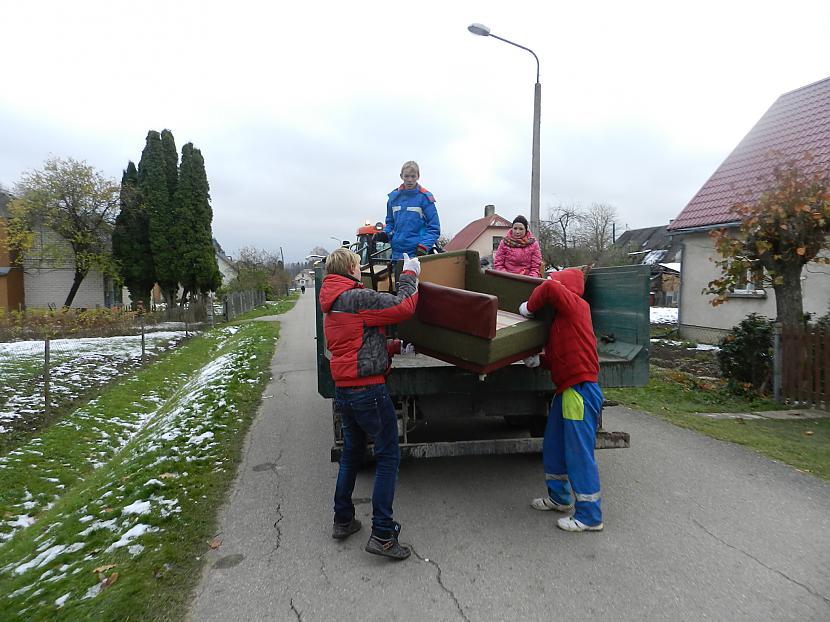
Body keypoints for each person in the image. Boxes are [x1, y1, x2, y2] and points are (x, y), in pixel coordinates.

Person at [319, 247, 421, 559]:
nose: (361, 270)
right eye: (357, 266)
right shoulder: (355, 297)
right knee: (388, 456)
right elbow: (403, 306)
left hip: (346, 390)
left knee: (351, 454)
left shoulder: (333, 302)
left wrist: (392, 346)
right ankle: (383, 534)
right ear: (349, 267)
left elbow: (355, 343)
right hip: (369, 391)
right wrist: (410, 273)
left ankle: (343, 519)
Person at [519, 265, 604, 532]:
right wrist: (539, 361)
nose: (550, 283)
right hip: (566, 390)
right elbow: (560, 358)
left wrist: (528, 308)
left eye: (556, 280)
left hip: (579, 391)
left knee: (578, 452)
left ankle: (590, 516)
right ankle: (560, 498)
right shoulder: (562, 321)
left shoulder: (577, 306)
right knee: (554, 444)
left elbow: (550, 288)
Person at [384, 161, 440, 280]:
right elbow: (390, 222)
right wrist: (386, 233)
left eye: (413, 176)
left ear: (418, 176)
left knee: (414, 290)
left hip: (417, 254)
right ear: (401, 176)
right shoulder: (393, 198)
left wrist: (424, 246)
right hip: (397, 254)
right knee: (397, 290)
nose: (409, 179)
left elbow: (434, 228)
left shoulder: (425, 198)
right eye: (407, 176)